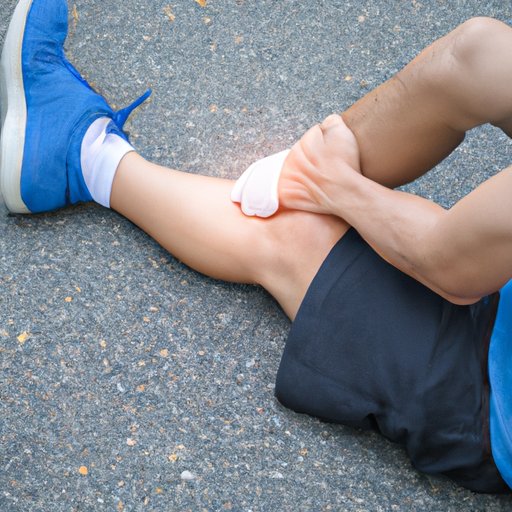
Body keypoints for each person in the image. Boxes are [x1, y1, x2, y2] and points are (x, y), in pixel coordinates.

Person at [0, 0, 510, 494]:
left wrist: (338, 187)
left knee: (291, 230)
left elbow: (447, 265)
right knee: (478, 57)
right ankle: (296, 175)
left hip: (485, 394)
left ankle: (82, 157)